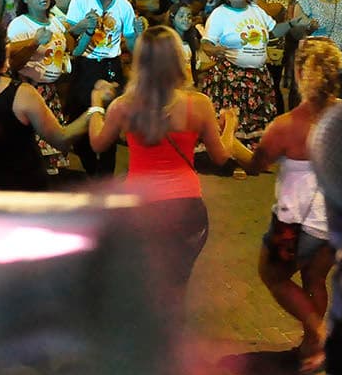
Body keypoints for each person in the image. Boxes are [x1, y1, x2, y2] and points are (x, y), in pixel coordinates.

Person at [87, 26, 246, 291]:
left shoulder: (124, 106)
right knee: (174, 285)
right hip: (186, 209)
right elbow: (222, 156)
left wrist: (95, 105)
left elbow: (98, 143)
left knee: (144, 284)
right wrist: (230, 124)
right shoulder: (199, 104)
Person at [229, 40, 342, 375]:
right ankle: (311, 348)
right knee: (315, 278)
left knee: (274, 276)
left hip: (297, 221)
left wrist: (230, 134)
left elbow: (255, 165)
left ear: (298, 74)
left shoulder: (286, 125)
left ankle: (316, 332)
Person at [0, 19, 94, 192]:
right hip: (23, 188)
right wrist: (96, 108)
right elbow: (62, 139)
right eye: (7, 43)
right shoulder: (21, 94)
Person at [67, 0, 141, 175]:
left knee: (110, 118)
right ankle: (90, 167)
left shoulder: (124, 6)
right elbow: (70, 33)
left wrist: (138, 34)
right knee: (81, 115)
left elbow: (132, 44)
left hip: (110, 65)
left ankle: (106, 173)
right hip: (85, 64)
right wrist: (85, 24)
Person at [199, 0, 280, 143]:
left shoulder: (256, 10)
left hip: (258, 77)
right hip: (231, 80)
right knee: (233, 124)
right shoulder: (219, 14)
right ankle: (233, 154)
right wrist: (214, 51)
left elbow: (274, 31)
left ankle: (254, 156)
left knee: (257, 121)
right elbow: (206, 43)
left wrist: (295, 24)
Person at [5, 0, 74, 176]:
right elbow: (13, 63)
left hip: (53, 92)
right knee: (35, 148)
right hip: (30, 90)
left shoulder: (55, 21)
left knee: (54, 144)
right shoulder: (19, 25)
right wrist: (34, 43)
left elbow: (69, 51)